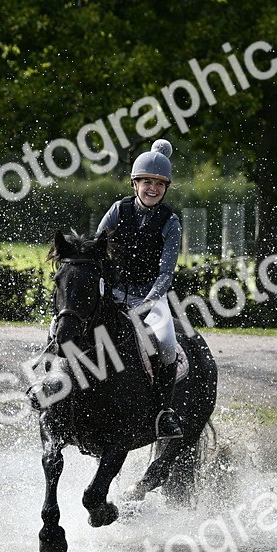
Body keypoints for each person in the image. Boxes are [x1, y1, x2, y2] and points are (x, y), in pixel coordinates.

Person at [96, 139, 184, 440]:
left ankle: (163, 413)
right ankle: (53, 388)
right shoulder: (118, 211)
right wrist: (104, 290)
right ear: (135, 183)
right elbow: (98, 253)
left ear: (166, 187)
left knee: (167, 342)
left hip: (150, 298)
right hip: (114, 294)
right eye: (146, 181)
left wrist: (148, 302)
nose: (153, 188)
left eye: (159, 183)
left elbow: (166, 273)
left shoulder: (171, 222)